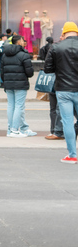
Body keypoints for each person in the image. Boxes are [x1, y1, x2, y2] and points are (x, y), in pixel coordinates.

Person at [44, 22, 78, 164]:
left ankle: (72, 155)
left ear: (64, 33)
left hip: (63, 89)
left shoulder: (56, 47)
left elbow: (47, 69)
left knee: (67, 122)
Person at [0, 35, 35, 138]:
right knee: (19, 106)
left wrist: (5, 81)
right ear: (19, 42)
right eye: (23, 40)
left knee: (11, 106)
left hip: (8, 84)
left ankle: (10, 129)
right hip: (20, 84)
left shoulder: (5, 55)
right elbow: (30, 72)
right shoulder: (23, 54)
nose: (24, 42)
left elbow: (2, 71)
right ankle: (15, 130)